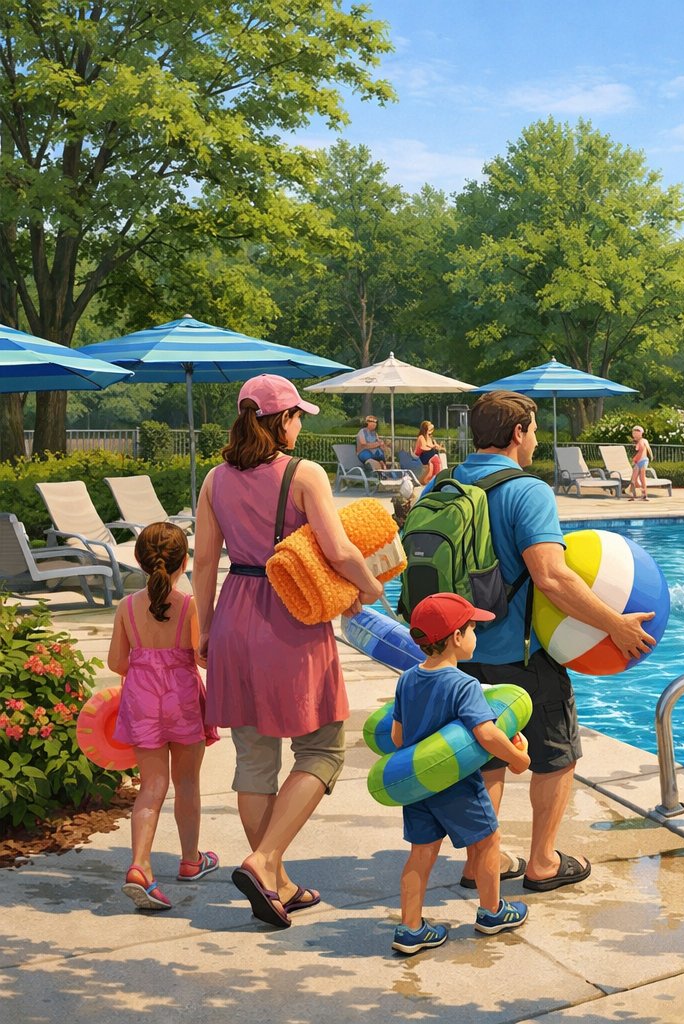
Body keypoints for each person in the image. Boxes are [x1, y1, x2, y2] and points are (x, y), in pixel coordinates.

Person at [434, 390, 656, 893]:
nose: (534, 440)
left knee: (483, 754)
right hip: (522, 654)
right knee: (557, 754)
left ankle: (480, 863)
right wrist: (615, 625)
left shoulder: (442, 483)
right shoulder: (525, 490)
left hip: (459, 651)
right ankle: (542, 863)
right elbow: (552, 577)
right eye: (532, 430)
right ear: (517, 433)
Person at [194, 374, 384, 929]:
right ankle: (265, 860)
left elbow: (204, 562)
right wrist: (370, 589)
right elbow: (339, 548)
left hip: (233, 613)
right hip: (290, 616)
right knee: (323, 749)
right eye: (298, 415)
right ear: (281, 420)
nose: (302, 423)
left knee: (254, 756)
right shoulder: (305, 473)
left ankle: (275, 882)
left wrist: (201, 631)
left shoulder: (214, 479)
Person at [390, 593, 532, 956]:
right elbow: (486, 734)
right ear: (456, 637)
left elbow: (398, 737)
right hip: (458, 786)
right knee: (487, 842)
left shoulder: (407, 679)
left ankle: (409, 930)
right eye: (472, 628)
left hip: (421, 785)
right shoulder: (463, 684)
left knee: (420, 854)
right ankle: (492, 912)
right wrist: (518, 758)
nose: (476, 635)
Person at [106, 523, 220, 912]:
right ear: (183, 562)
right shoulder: (190, 606)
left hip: (142, 702)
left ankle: (140, 866)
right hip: (183, 703)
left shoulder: (126, 607)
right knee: (186, 782)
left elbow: (116, 662)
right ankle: (191, 860)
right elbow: (203, 656)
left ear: (138, 561)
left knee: (151, 786)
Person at [414, 421, 447, 486]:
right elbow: (423, 447)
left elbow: (435, 446)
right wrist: (433, 446)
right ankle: (429, 480)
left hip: (430, 455)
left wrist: (441, 448)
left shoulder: (430, 438)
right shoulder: (421, 437)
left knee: (436, 459)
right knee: (435, 459)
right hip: (423, 455)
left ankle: (434, 479)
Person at [629, 425, 653, 501]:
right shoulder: (640, 441)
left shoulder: (642, 441)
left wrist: (634, 459)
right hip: (640, 461)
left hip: (641, 461)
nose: (634, 435)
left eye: (635, 434)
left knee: (640, 478)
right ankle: (642, 493)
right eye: (633, 434)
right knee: (634, 480)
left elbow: (642, 451)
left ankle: (643, 495)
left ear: (640, 434)